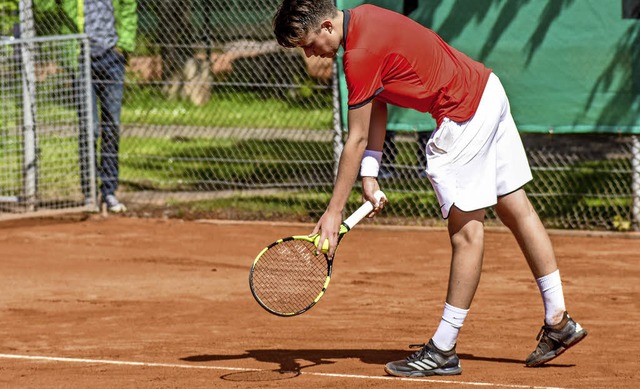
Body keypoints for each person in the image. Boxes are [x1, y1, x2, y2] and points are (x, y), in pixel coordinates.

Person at [273, 0, 587, 377]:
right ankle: (558, 321)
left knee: (467, 234)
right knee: (515, 207)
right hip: (487, 91)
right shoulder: (366, 17)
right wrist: (370, 176)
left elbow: (355, 138)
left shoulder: (358, 54)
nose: (310, 54)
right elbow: (379, 103)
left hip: (462, 113)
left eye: (307, 44)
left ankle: (442, 349)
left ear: (325, 26)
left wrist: (334, 211)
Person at [37, 0, 137, 212]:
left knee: (111, 127)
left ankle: (109, 191)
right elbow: (43, 7)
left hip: (112, 58)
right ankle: (89, 192)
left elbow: (128, 7)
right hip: (81, 59)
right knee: (88, 129)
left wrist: (123, 46)